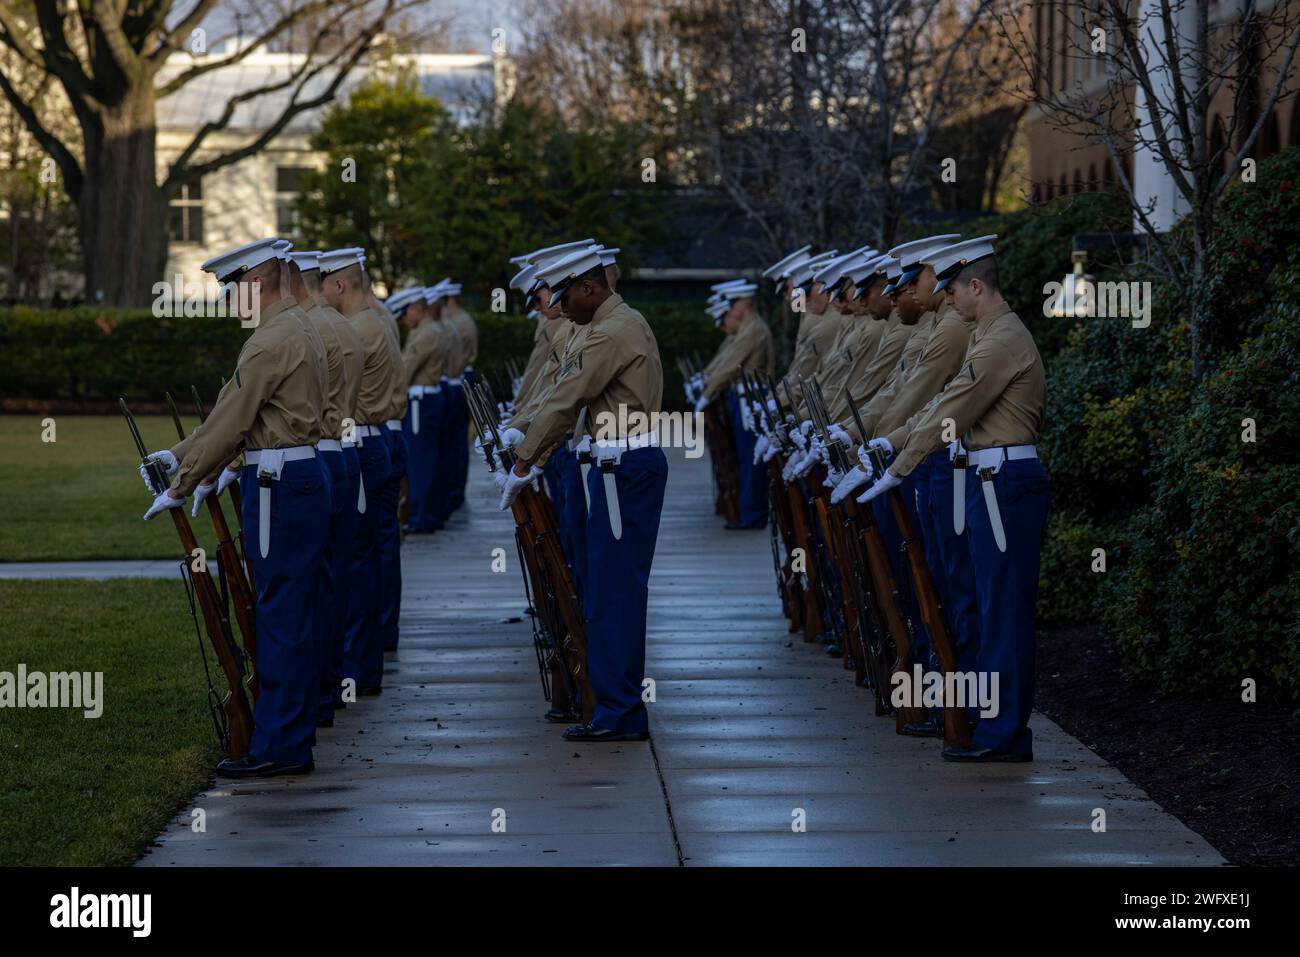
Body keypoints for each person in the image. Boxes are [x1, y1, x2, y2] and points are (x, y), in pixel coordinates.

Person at [140, 237, 329, 777]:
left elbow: (232, 423)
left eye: (231, 289)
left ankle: (281, 746)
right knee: (291, 610)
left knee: (280, 615)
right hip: (296, 475)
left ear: (256, 283)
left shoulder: (271, 340)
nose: (227, 301)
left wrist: (179, 483)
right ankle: (289, 732)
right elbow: (233, 409)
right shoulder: (299, 327)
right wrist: (178, 455)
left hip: (280, 483)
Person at [855, 236, 1049, 762]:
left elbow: (951, 413)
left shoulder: (999, 340)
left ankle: (1003, 733)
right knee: (989, 608)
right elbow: (941, 404)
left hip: (1003, 485)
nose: (948, 301)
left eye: (954, 291)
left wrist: (899, 467)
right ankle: (995, 726)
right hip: (991, 484)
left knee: (1002, 612)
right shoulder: (987, 335)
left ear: (977, 287)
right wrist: (890, 444)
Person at [500, 245, 667, 743]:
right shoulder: (606, 326)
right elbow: (558, 394)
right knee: (608, 588)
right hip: (617, 466)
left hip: (622, 468)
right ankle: (617, 706)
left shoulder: (612, 331)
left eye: (564, 294)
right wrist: (524, 435)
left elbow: (567, 398)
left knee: (614, 593)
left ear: (590, 288)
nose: (557, 306)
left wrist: (526, 460)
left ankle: (618, 711)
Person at [285, 246, 366, 727]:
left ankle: (312, 696)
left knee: (304, 588)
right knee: (332, 579)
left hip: (313, 454)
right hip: (341, 452)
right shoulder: (342, 328)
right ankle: (330, 685)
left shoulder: (306, 329)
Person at [319, 247, 400, 696]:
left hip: (362, 441)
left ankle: (359, 666)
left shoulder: (357, 328)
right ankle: (364, 662)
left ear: (340, 284)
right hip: (374, 439)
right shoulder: (375, 320)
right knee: (369, 556)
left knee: (356, 562)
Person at [697, 281, 774, 529]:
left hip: (750, 399)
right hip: (743, 398)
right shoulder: (748, 329)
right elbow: (726, 360)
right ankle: (748, 509)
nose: (729, 311)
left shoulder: (753, 329)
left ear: (743, 304)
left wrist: (706, 394)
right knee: (744, 456)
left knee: (751, 459)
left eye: (732, 304)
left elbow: (731, 365)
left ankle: (752, 514)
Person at [392, 286, 449, 534]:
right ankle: (429, 513)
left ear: (416, 309)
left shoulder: (425, 334)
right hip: (426, 400)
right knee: (426, 460)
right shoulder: (430, 330)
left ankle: (422, 516)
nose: (404, 321)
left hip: (419, 403)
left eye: (405, 314)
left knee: (419, 463)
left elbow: (406, 370)